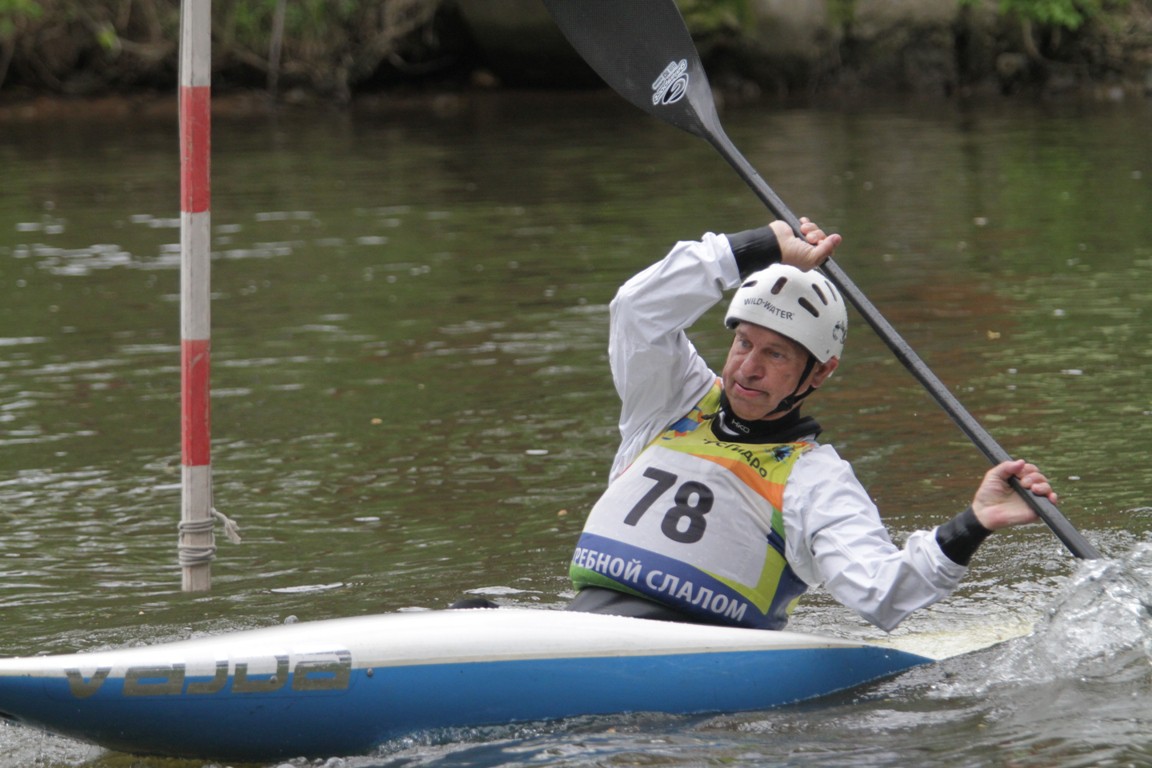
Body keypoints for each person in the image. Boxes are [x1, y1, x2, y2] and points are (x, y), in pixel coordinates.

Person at [566, 217, 1057, 631]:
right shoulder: (670, 400)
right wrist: (761, 245)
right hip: (582, 626)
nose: (748, 368)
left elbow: (882, 591)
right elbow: (637, 309)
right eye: (744, 343)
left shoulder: (815, 481)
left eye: (775, 354)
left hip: (699, 656)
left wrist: (975, 522)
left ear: (819, 372)